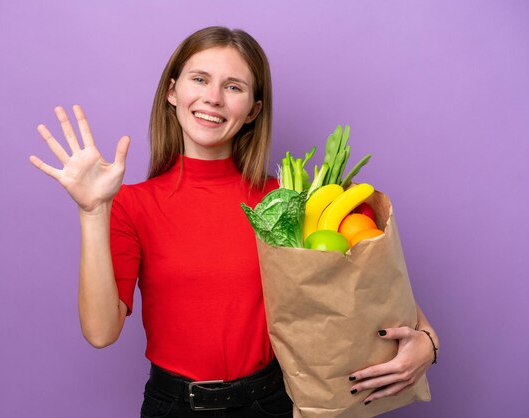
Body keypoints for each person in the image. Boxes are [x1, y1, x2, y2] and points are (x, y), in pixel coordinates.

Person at [29, 26, 439, 418]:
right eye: (200, 79)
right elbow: (101, 333)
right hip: (173, 407)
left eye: (234, 87)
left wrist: (428, 342)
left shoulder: (289, 202)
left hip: (271, 403)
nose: (214, 98)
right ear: (172, 92)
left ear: (252, 111)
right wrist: (93, 211)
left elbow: (371, 289)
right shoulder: (132, 205)